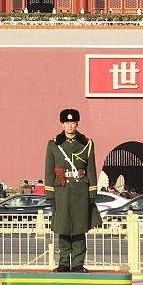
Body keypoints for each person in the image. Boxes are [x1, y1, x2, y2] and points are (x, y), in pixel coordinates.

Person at [45, 108, 102, 273]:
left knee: (79, 227)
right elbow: (49, 170)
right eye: (67, 122)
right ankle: (63, 262)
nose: (70, 126)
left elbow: (91, 169)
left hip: (80, 190)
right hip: (61, 190)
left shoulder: (86, 143)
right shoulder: (53, 144)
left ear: (77, 123)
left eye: (73, 122)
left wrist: (92, 192)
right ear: (62, 124)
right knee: (62, 228)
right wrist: (50, 194)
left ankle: (78, 263)